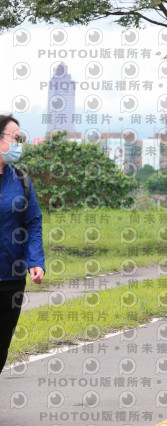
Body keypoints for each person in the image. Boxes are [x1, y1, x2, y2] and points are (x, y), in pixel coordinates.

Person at [0, 115, 45, 373]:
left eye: (21, 139)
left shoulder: (21, 181)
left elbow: (33, 224)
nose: (20, 144)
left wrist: (36, 262)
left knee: (1, 345)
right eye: (16, 138)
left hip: (12, 279)